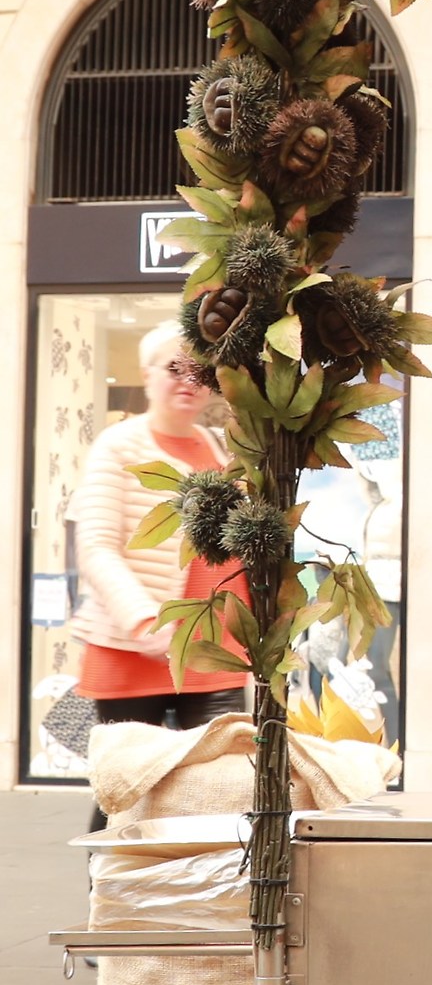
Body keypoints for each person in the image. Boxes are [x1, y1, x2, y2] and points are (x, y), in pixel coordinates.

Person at [70, 321, 248, 827]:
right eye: (173, 368)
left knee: (217, 789)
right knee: (125, 795)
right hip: (135, 650)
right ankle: (112, 904)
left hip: (213, 650)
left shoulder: (219, 449)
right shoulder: (118, 446)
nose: (186, 380)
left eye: (197, 369)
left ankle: (186, 904)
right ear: (147, 376)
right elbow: (97, 547)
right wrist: (143, 620)